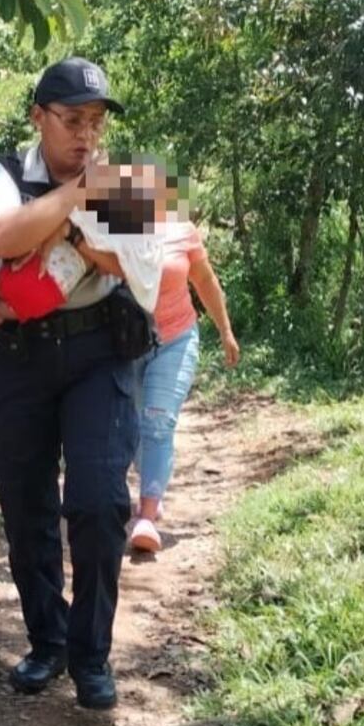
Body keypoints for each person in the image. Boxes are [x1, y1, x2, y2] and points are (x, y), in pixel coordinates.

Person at [0, 57, 155, 711]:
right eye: (73, 120)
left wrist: (94, 218)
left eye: (96, 123)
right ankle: (46, 641)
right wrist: (76, 203)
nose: (86, 136)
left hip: (101, 349)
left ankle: (90, 653)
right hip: (18, 354)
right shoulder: (0, 174)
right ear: (38, 118)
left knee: (100, 500)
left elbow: (136, 258)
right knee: (26, 506)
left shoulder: (124, 179)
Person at [0, 162, 169, 342]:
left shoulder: (89, 219)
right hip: (52, 293)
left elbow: (50, 228)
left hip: (35, 271)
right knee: (0, 312)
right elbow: (105, 269)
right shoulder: (117, 244)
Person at [128, 214, 240, 554]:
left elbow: (205, 281)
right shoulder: (112, 230)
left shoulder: (181, 232)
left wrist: (225, 331)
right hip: (126, 343)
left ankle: (147, 514)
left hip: (175, 339)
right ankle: (153, 484)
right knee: (131, 426)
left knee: (158, 422)